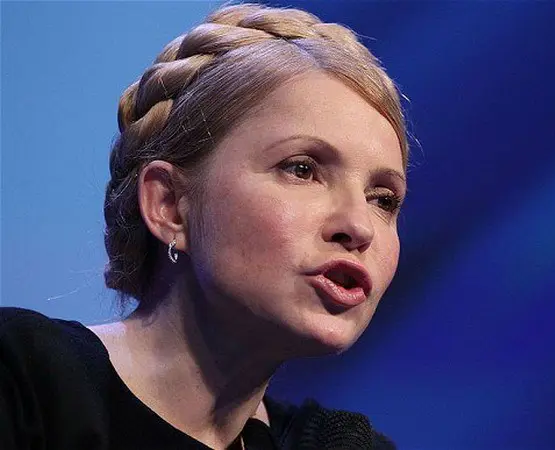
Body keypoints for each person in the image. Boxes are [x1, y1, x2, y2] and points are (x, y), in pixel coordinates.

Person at [0, 2, 408, 449]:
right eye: (302, 169)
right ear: (169, 205)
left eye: (383, 199)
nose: (359, 226)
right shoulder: (22, 383)